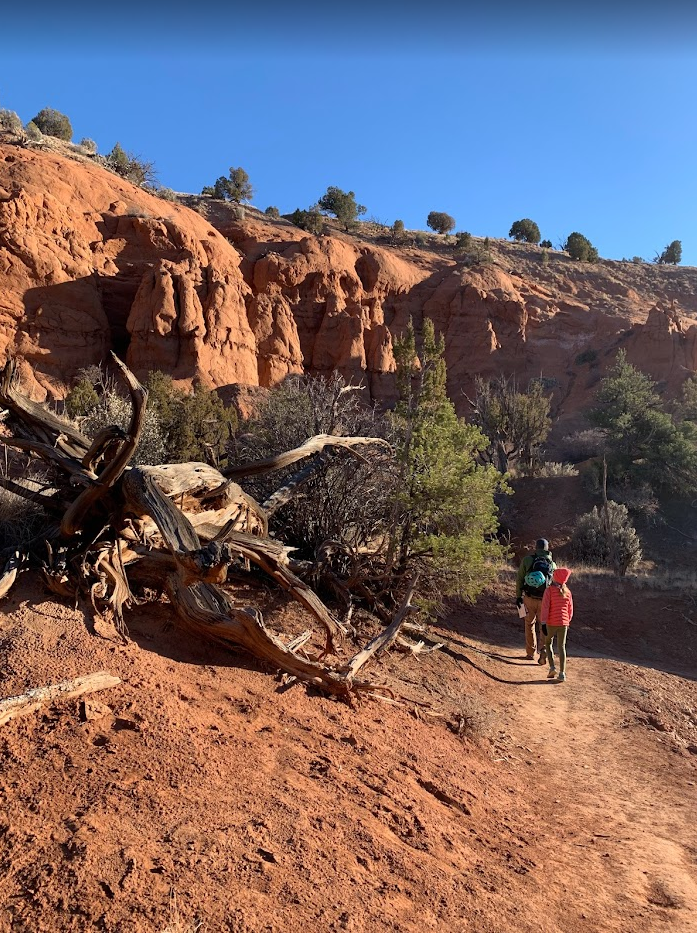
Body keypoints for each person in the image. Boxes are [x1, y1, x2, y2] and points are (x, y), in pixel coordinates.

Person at [515, 538, 555, 662]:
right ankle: (543, 650)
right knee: (544, 625)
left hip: (529, 598)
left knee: (529, 624)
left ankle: (530, 652)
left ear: (536, 548)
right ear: (547, 549)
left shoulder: (527, 560)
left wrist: (518, 596)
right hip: (545, 600)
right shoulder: (552, 564)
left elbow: (520, 579)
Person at [540, 568, 573, 682]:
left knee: (548, 643)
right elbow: (570, 610)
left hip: (551, 622)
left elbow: (545, 607)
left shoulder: (549, 591)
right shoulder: (568, 592)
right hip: (564, 623)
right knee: (561, 647)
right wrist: (567, 621)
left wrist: (543, 622)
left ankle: (552, 667)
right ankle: (562, 673)